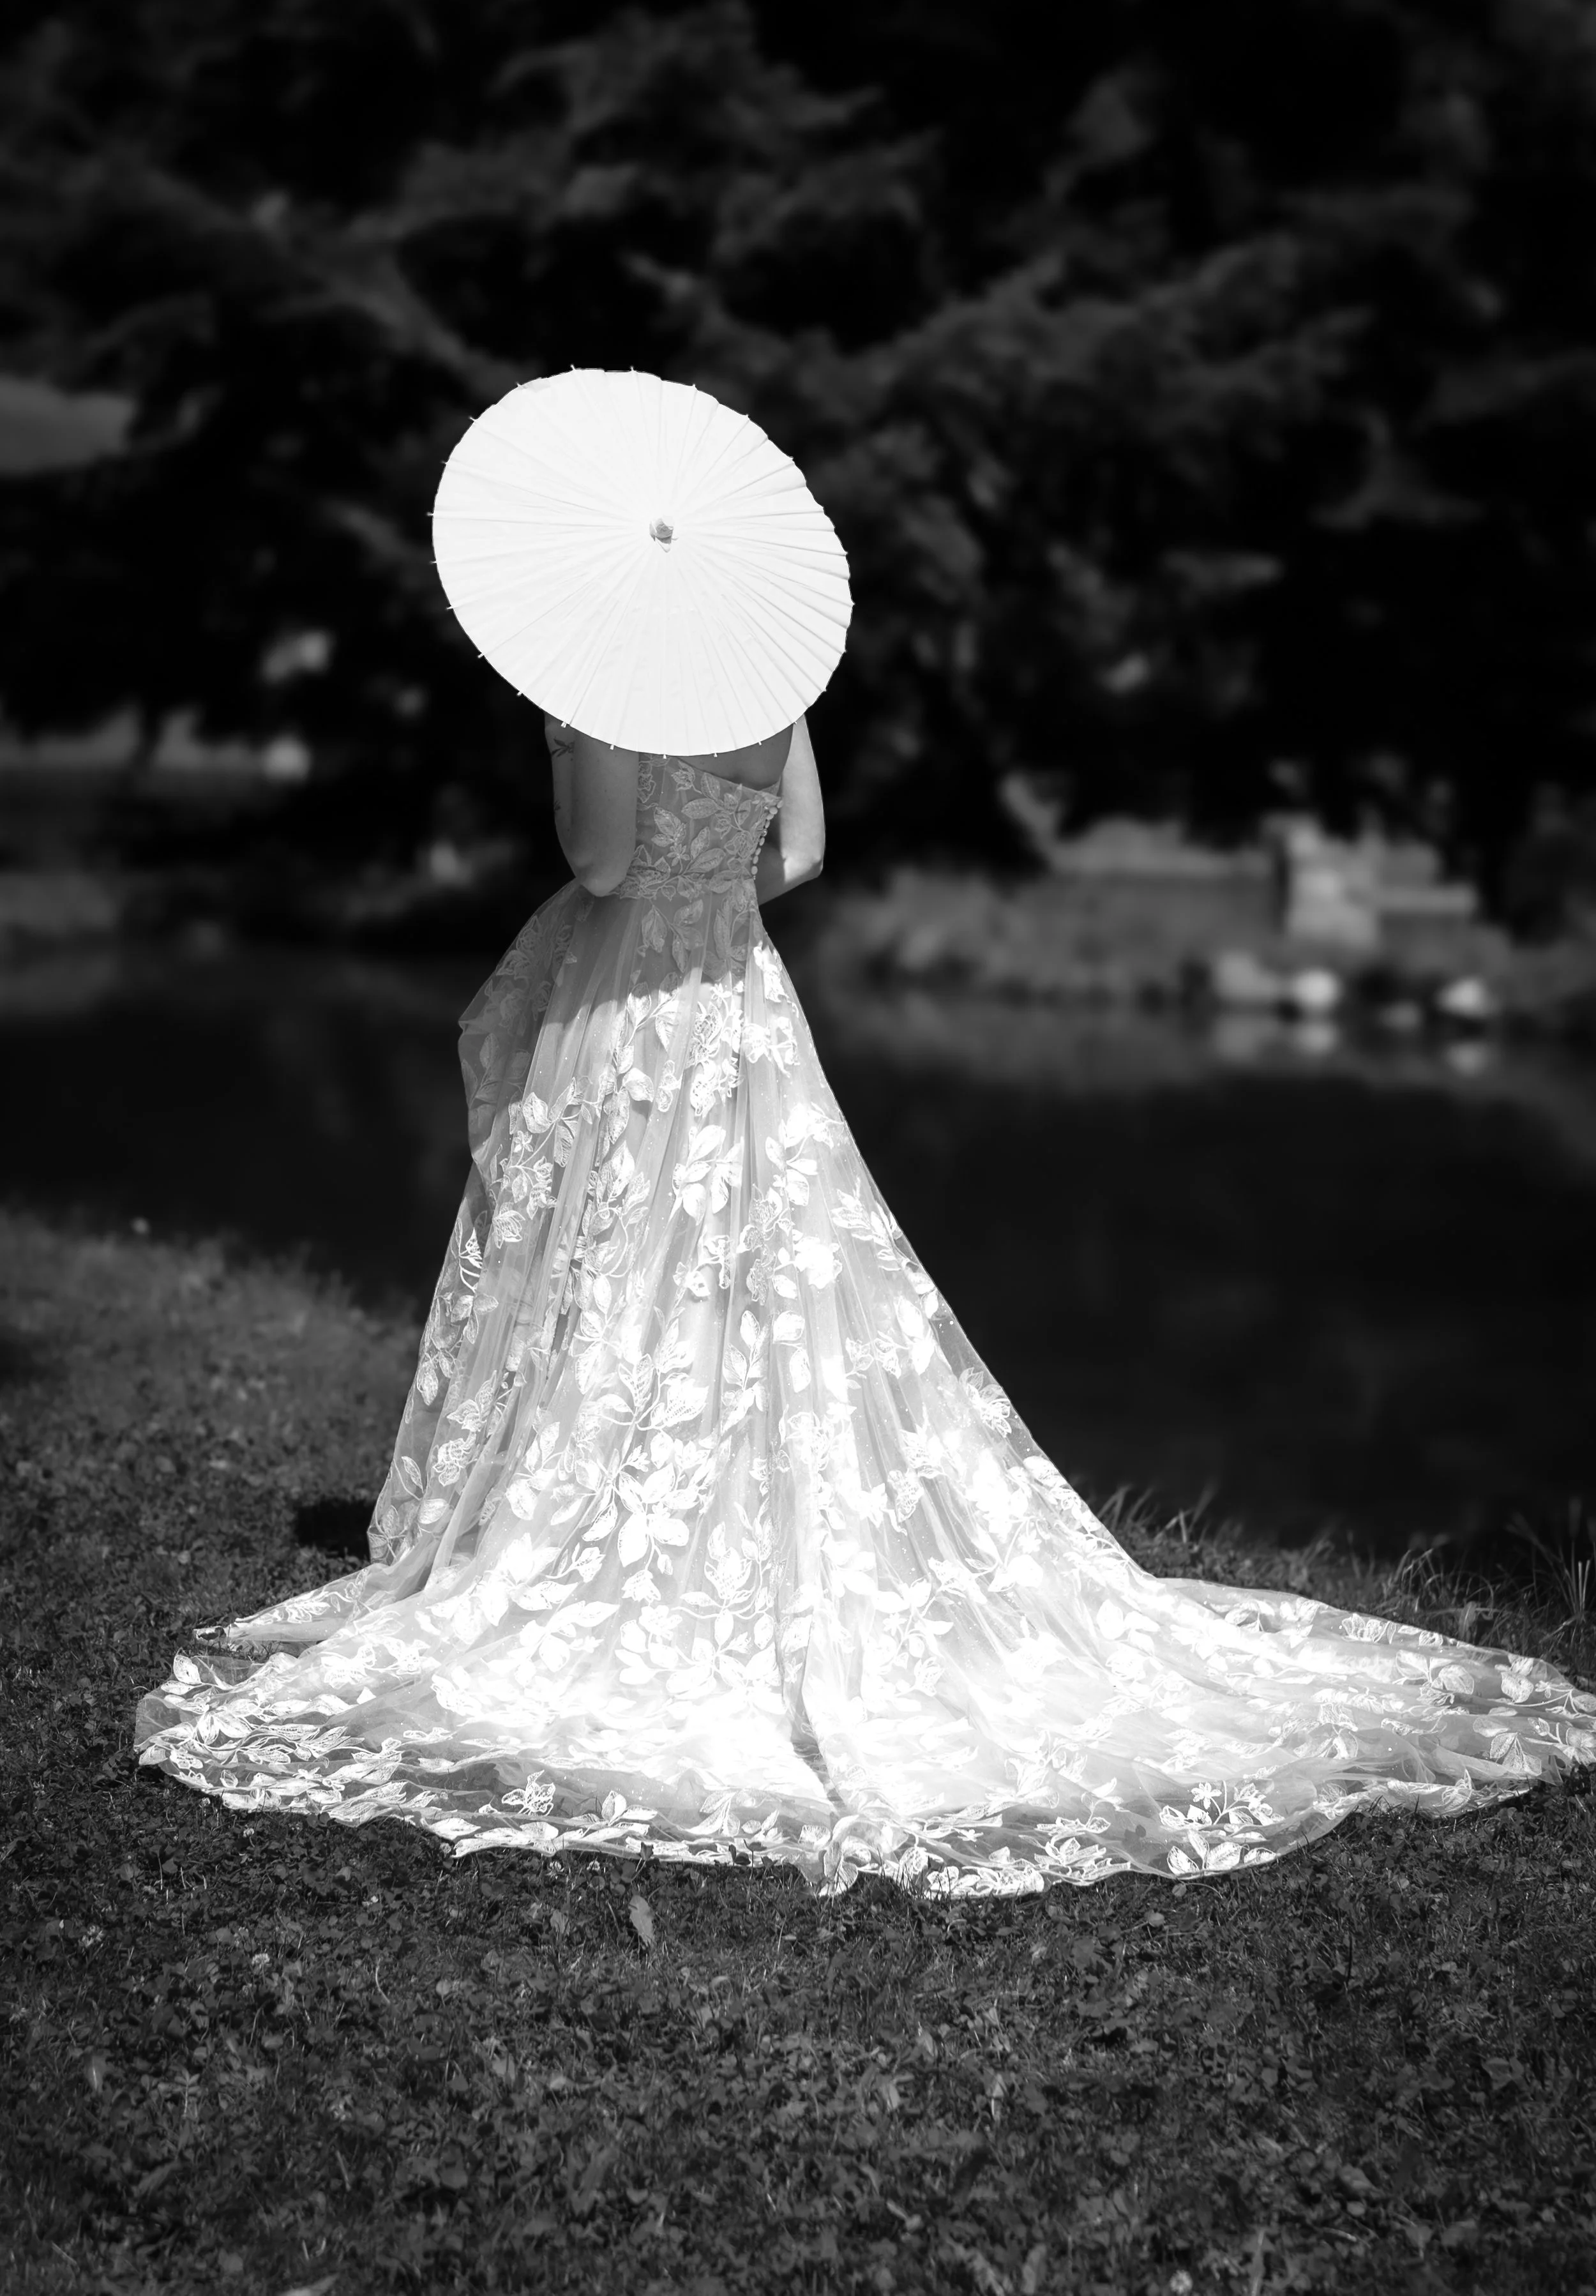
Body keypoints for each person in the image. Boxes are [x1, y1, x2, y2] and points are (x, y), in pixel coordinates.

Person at [135, 718, 1595, 1897]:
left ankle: (594, 1502)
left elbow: (590, 866)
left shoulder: (600, 692)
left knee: (613, 1265)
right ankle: (707, 1498)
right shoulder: (772, 677)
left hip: (633, 1006)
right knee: (755, 1271)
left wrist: (562, 756)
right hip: (740, 995)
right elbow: (810, 852)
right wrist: (712, 888)